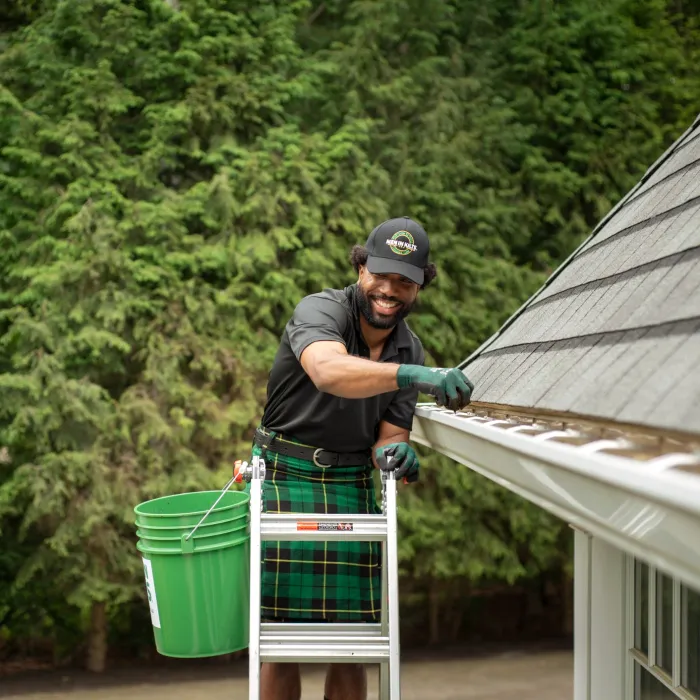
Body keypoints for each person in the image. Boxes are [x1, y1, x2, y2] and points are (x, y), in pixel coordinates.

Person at [248, 217, 474, 700]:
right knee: (280, 640)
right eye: (381, 275)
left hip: (351, 481)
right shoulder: (321, 310)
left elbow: (387, 437)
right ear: (361, 266)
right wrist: (413, 374)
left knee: (354, 641)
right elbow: (328, 370)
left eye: (404, 281)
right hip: (286, 475)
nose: (389, 290)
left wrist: (398, 451)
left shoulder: (408, 347)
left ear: (419, 287)